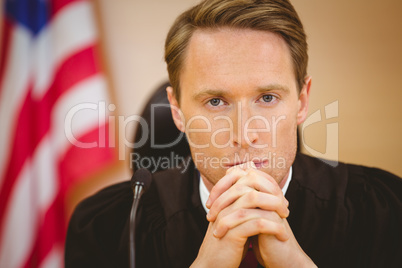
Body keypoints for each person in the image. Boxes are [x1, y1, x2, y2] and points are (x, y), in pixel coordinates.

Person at [65, 0, 402, 267]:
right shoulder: (105, 227)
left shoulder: (383, 211)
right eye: (215, 101)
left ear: (302, 101)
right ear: (178, 111)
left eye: (267, 98)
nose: (244, 134)